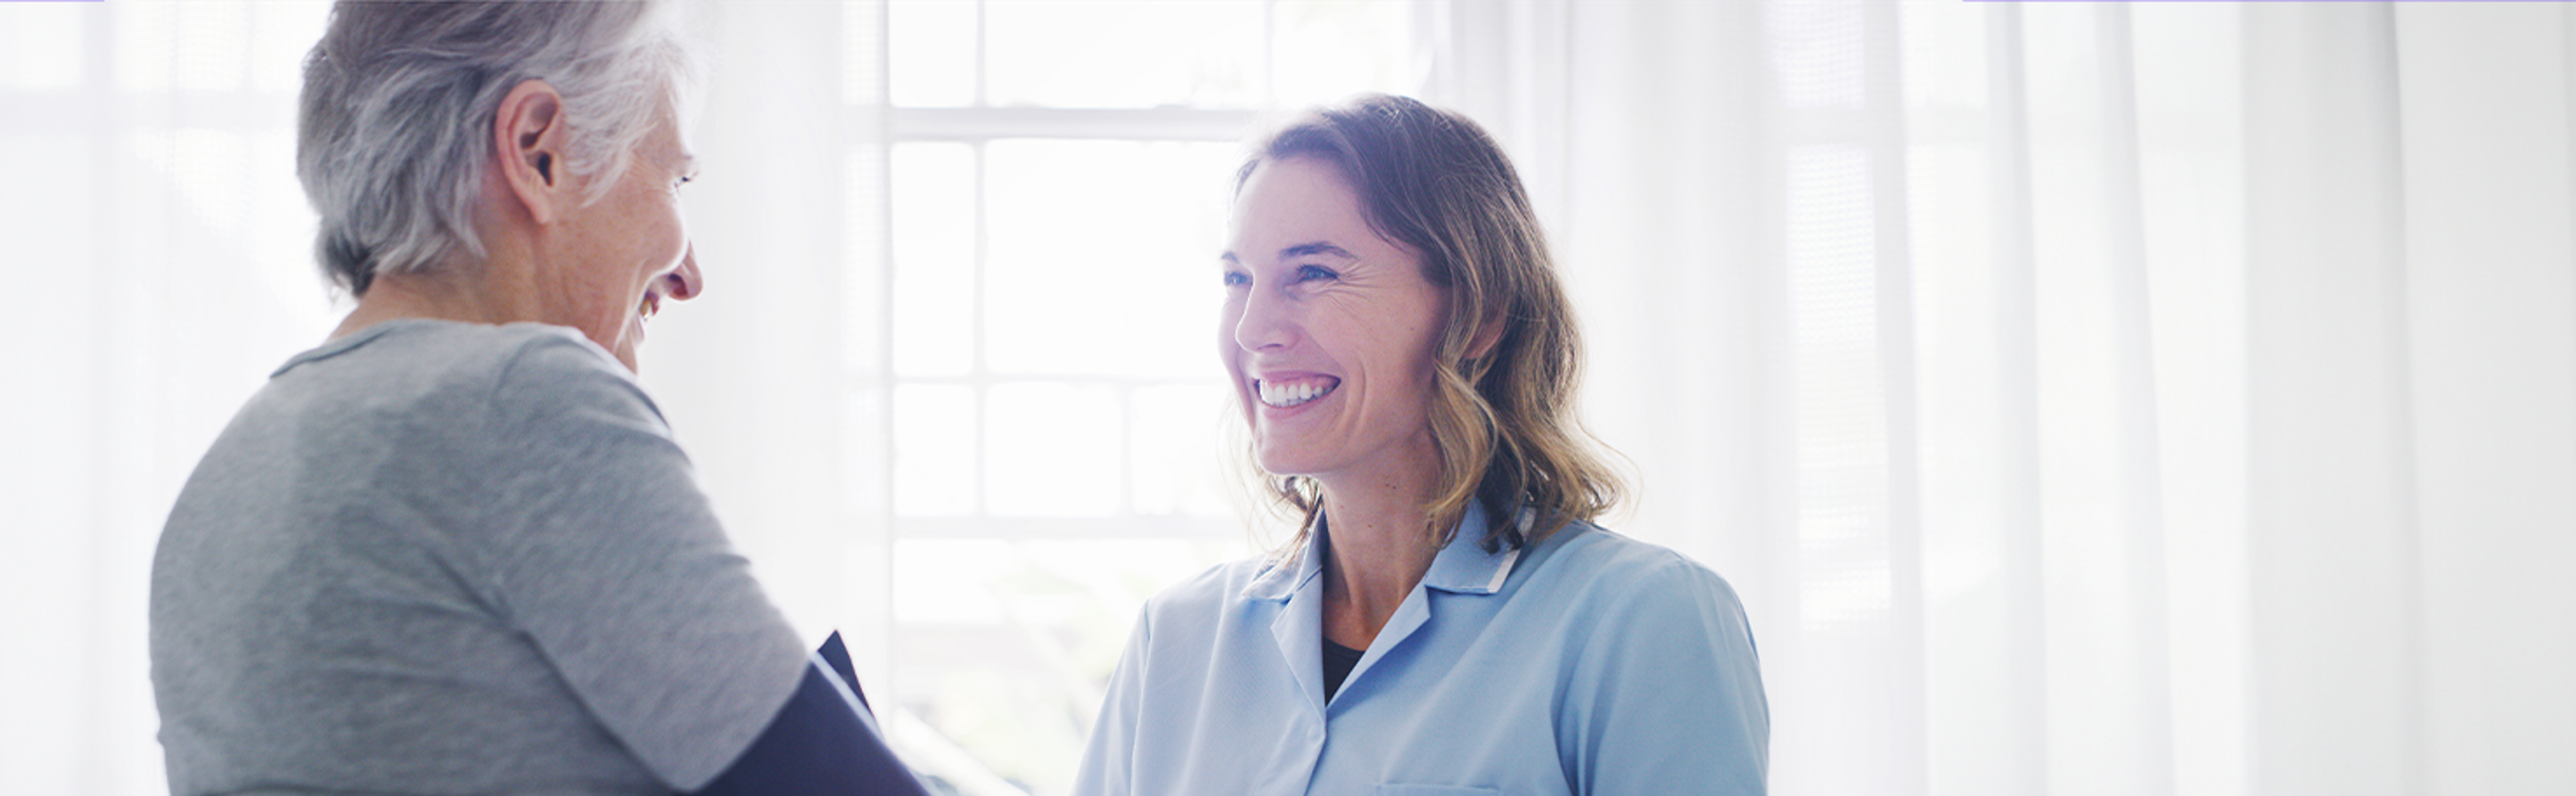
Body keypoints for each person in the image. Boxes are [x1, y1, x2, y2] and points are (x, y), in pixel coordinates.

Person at [145, 3, 916, 794]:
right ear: (535, 150)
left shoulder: (229, 476)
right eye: (673, 176)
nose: (690, 275)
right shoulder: (518, 402)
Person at [1072, 94, 1774, 794]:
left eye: (1313, 272)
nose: (1254, 329)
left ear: (1476, 317)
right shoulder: (1177, 641)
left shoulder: (1644, 622)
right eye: (1238, 279)